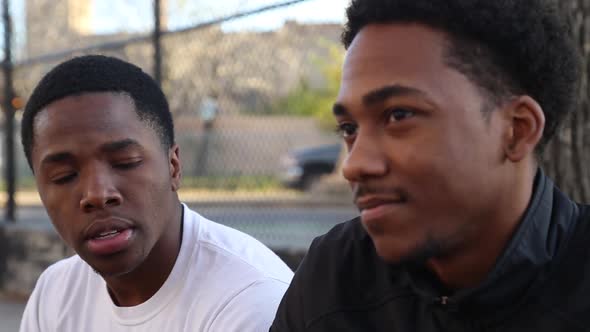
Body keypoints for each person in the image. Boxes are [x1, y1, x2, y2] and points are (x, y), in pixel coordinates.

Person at [271, 0, 590, 331]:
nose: (354, 165)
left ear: (516, 130)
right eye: (350, 129)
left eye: (399, 115)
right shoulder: (334, 280)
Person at [18, 55, 293, 332]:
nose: (97, 194)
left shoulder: (249, 300)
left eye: (125, 162)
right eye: (63, 176)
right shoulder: (54, 294)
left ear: (173, 167)